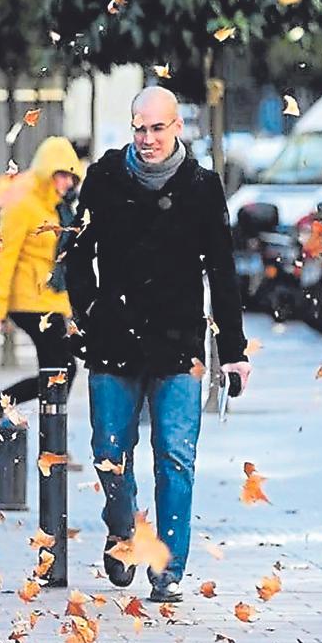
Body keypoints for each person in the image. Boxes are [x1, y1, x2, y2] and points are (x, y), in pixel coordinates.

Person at [66, 87, 252, 603]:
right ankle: (123, 531)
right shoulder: (103, 178)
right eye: (139, 128)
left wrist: (233, 352)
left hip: (178, 343)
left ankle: (166, 567)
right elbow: (77, 255)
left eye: (157, 128)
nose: (147, 139)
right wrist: (90, 313)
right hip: (114, 340)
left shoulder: (201, 187)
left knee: (174, 456)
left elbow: (222, 271)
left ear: (177, 128)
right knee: (109, 454)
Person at [0, 137, 83, 449]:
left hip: (51, 301)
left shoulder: (58, 210)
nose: (67, 182)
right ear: (45, 171)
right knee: (60, 370)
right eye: (61, 174)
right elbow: (5, 257)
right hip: (27, 301)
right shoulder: (22, 205)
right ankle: (50, 446)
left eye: (71, 176)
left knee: (60, 370)